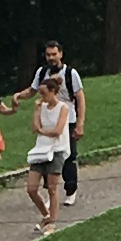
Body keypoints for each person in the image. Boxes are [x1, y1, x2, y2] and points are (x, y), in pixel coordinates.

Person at [24, 57, 77, 229]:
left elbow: (57, 130)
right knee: (31, 188)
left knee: (52, 188)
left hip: (57, 149)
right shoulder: (42, 107)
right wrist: (36, 110)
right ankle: (46, 215)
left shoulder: (63, 107)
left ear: (53, 92)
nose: (42, 97)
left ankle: (52, 222)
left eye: (44, 93)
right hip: (41, 149)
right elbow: (34, 128)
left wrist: (43, 131)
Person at [40, 36, 86, 197]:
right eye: (48, 55)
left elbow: (80, 98)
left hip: (68, 120)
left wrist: (80, 124)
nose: (51, 58)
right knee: (46, 156)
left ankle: (70, 190)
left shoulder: (70, 74)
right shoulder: (42, 73)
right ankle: (50, 192)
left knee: (68, 156)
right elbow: (33, 90)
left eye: (54, 54)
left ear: (61, 54)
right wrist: (18, 97)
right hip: (48, 120)